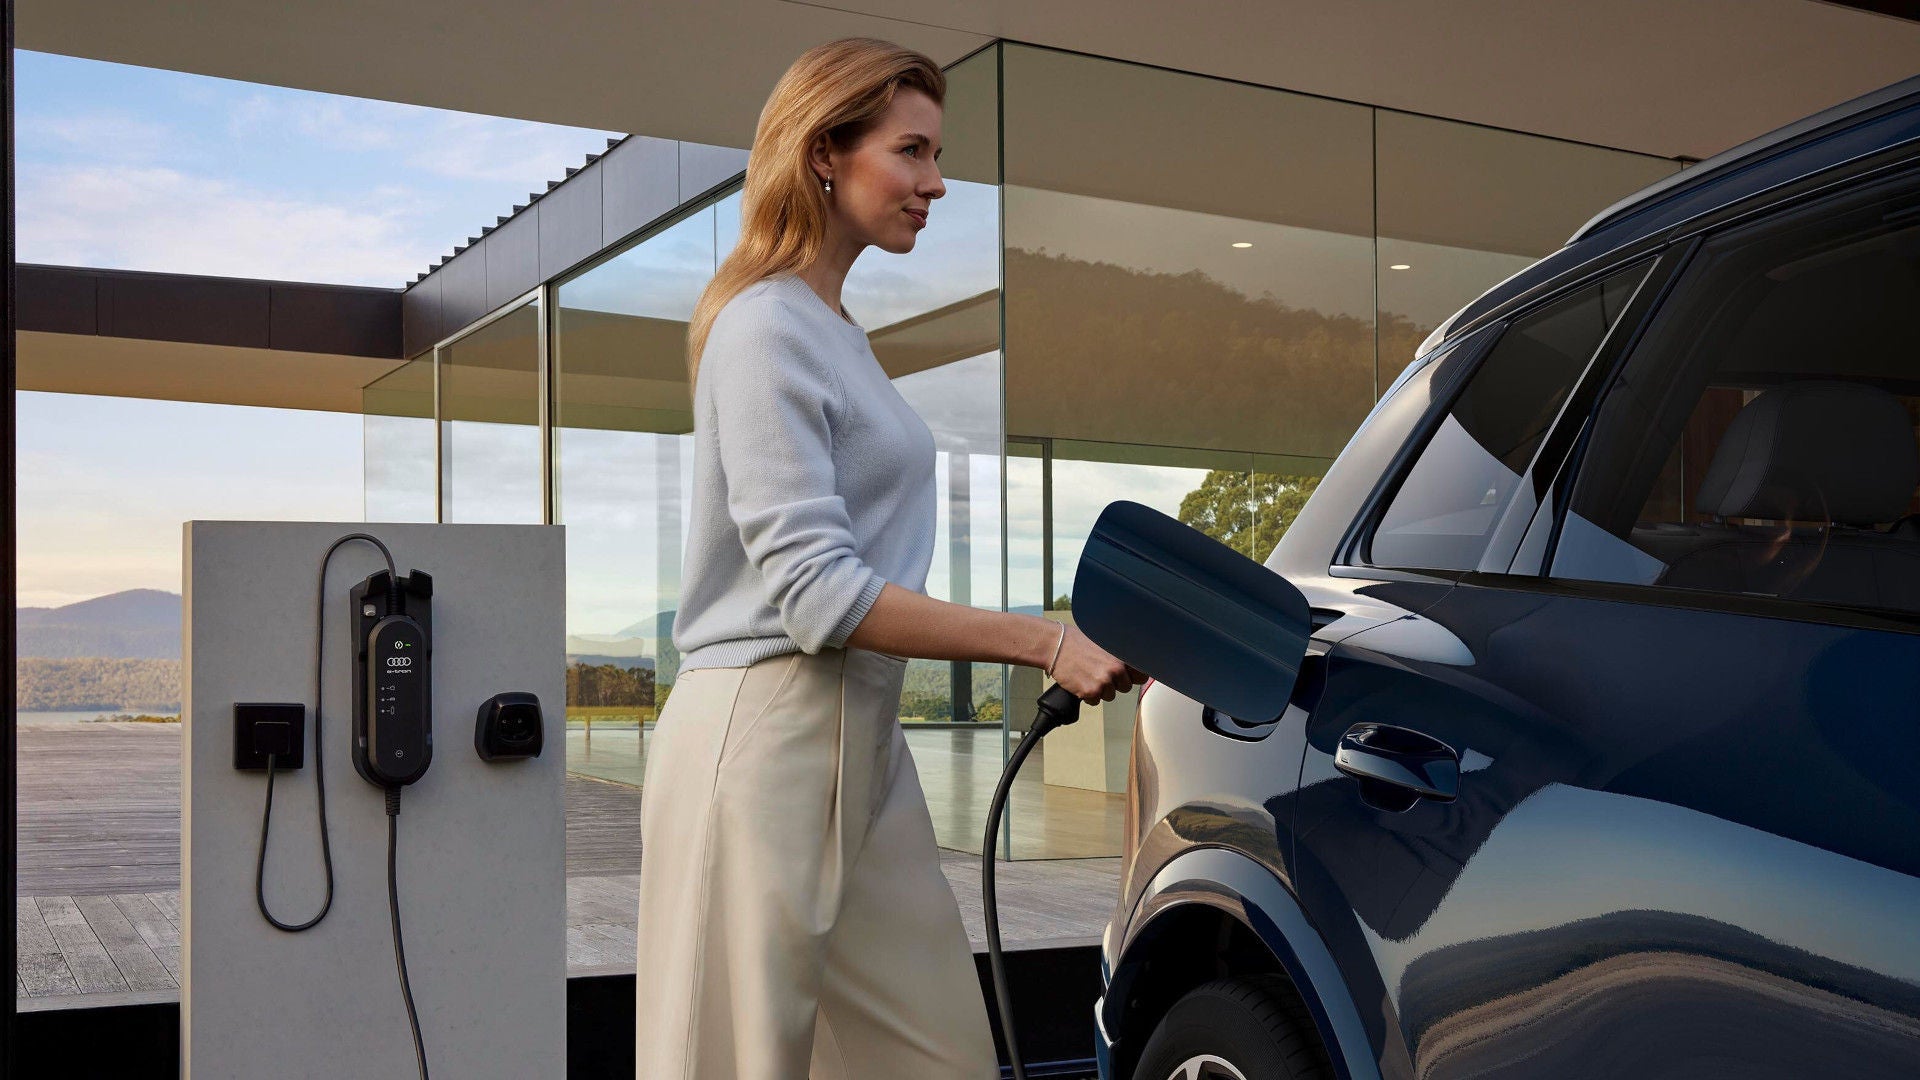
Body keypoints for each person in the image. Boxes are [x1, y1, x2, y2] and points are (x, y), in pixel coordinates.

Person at [631, 35, 1141, 1080]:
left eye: (934, 154)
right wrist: (1043, 642)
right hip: (763, 732)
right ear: (824, 152)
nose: (935, 182)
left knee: (938, 1057)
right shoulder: (761, 326)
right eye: (912, 151)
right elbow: (816, 593)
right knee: (728, 1063)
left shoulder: (836, 332)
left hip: (864, 740)